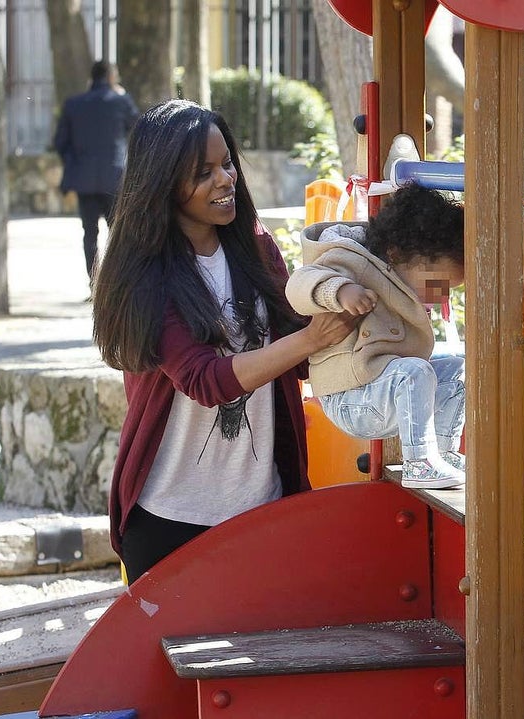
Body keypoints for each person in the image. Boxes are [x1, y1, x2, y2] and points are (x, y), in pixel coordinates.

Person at [92, 99, 359, 583]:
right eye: (203, 171)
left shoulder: (255, 247)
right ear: (162, 183)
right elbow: (205, 380)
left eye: (227, 163)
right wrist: (309, 340)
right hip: (169, 520)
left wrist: (345, 298)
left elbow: (297, 357)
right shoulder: (147, 276)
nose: (225, 179)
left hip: (264, 507)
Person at [285, 184, 467, 490]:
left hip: (380, 387)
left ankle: (442, 453)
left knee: (457, 369)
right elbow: (299, 285)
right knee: (415, 372)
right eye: (438, 283)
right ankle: (419, 462)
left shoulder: (400, 277)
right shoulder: (350, 260)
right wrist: (340, 291)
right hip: (349, 397)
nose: (441, 296)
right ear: (397, 255)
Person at [53, 60, 139, 283]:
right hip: (114, 177)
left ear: (90, 78)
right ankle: (117, 283)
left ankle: (94, 283)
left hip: (85, 180)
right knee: (117, 234)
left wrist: (75, 163)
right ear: (111, 76)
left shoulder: (74, 104)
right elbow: (137, 127)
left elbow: (60, 142)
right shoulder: (120, 101)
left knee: (89, 233)